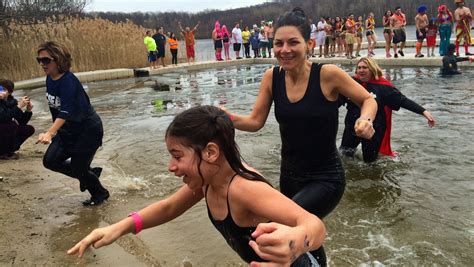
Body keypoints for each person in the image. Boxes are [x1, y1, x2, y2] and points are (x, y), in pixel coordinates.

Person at [67, 105, 326, 266]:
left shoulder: (244, 187)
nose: (170, 166)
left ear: (211, 152)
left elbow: (314, 224)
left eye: (177, 156)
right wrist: (117, 228)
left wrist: (294, 241)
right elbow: (168, 208)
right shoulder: (208, 181)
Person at [222, 8, 377, 266]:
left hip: (326, 179)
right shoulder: (272, 77)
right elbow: (255, 121)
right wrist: (227, 118)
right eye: (278, 43)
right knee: (303, 233)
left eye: (293, 42)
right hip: (289, 177)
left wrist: (365, 120)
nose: (285, 49)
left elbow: (367, 99)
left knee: (274, 230)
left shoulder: (327, 75)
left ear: (309, 43)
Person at [36, 41, 109, 206]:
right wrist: (55, 131)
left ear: (58, 59)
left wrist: (50, 132)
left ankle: (100, 194)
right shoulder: (49, 78)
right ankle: (89, 173)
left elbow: (66, 111)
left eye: (46, 60)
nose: (42, 64)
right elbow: (56, 110)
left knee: (78, 168)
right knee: (50, 160)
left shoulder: (68, 81)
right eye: (39, 60)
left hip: (87, 130)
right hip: (68, 129)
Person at [339, 57, 436, 162]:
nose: (361, 70)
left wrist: (423, 112)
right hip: (352, 126)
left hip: (375, 129)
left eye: (365, 68)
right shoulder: (352, 84)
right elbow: (337, 99)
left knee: (369, 162)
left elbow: (402, 101)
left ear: (372, 69)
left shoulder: (383, 87)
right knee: (345, 154)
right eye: (359, 68)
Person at [0, 79, 35, 160]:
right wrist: (18, 107)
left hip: (5, 132)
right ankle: (2, 152)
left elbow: (22, 122)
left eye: (3, 89)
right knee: (10, 125)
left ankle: (9, 150)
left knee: (28, 129)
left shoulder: (12, 102)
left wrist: (28, 110)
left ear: (9, 92)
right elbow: (3, 117)